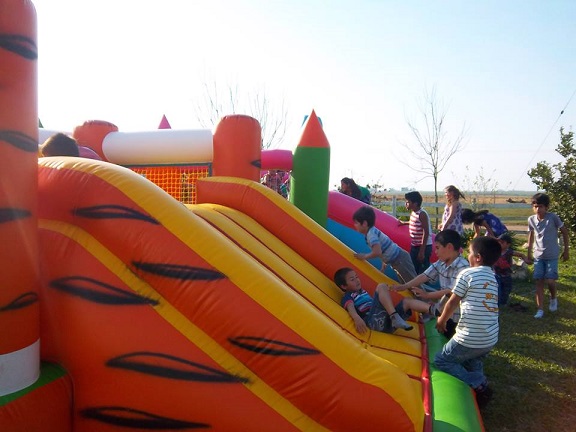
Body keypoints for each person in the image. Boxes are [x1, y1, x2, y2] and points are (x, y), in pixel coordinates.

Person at [434, 236, 501, 408]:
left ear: (477, 257)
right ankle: (478, 394)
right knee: (473, 360)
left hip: (469, 337)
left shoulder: (467, 274)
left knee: (442, 360)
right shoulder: (493, 278)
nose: (467, 256)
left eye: (469, 253)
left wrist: (441, 321)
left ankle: (478, 383)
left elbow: (452, 302)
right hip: (490, 337)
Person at [391, 229, 469, 339]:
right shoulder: (441, 263)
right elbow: (424, 276)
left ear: (449, 247)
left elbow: (451, 291)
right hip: (446, 312)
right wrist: (404, 286)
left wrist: (427, 295)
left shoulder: (463, 267)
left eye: (437, 248)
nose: (435, 252)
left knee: (452, 338)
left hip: (457, 316)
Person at [334, 267, 440, 333]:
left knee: (407, 301)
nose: (357, 280)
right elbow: (350, 306)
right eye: (352, 279)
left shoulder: (362, 292)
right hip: (373, 323)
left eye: (357, 277)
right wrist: (356, 318)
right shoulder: (348, 296)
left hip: (387, 323)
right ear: (344, 286)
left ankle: (434, 310)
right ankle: (394, 317)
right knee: (381, 286)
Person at [527, 193, 570, 319]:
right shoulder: (531, 219)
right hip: (538, 255)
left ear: (546, 207)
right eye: (535, 206)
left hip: (552, 255)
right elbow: (531, 236)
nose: (538, 209)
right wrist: (528, 253)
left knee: (551, 281)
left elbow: (565, 232)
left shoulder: (553, 218)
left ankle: (553, 298)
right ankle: (540, 309)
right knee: (539, 282)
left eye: (540, 206)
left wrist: (566, 250)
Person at [352, 205, 417, 283]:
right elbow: (384, 248)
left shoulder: (371, 235)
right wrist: (384, 263)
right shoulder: (371, 232)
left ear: (364, 223)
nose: (354, 225)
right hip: (398, 260)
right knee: (407, 284)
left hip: (400, 260)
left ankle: (423, 291)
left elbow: (377, 252)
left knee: (413, 284)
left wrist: (364, 256)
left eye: (356, 223)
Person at [400, 191, 433, 274]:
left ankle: (424, 283)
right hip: (414, 246)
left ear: (415, 203)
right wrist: (404, 223)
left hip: (423, 247)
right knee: (413, 268)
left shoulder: (422, 214)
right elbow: (414, 222)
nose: (406, 204)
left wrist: (422, 251)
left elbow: (426, 232)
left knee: (422, 271)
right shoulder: (414, 212)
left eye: (408, 202)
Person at [494, 233, 529, 308]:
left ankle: (503, 302)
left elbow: (521, 254)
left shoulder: (509, 252)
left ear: (508, 244)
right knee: (497, 289)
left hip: (507, 275)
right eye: (498, 242)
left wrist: (526, 259)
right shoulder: (495, 251)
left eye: (502, 242)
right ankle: (497, 303)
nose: (499, 244)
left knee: (506, 290)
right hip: (496, 275)